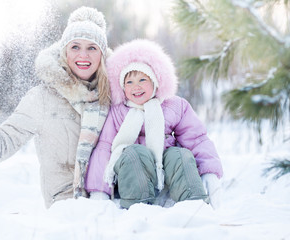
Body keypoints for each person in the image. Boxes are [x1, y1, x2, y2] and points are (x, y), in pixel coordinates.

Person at [0, 7, 111, 208]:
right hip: (65, 213)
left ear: (103, 53)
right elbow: (0, 147)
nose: (83, 55)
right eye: (75, 46)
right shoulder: (42, 98)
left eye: (92, 47)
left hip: (114, 209)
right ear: (63, 51)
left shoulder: (118, 94)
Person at [85, 39, 223, 209]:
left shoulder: (174, 106)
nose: (136, 86)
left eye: (142, 80)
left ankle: (194, 204)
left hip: (166, 176)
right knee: (135, 153)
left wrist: (209, 172)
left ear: (155, 81)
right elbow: (104, 148)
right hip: (131, 180)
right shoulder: (118, 112)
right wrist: (100, 190)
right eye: (129, 82)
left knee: (180, 155)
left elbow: (196, 139)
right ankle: (138, 208)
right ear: (122, 87)